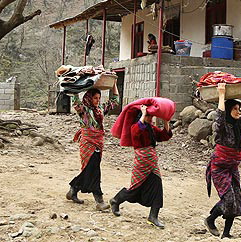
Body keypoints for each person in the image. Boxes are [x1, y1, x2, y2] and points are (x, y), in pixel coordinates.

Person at [204, 83, 241, 239]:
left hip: (232, 168)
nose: (238, 111)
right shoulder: (221, 126)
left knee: (236, 200)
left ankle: (226, 233)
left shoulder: (237, 124)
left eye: (239, 108)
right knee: (228, 199)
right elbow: (220, 115)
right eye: (235, 109)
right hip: (219, 168)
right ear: (228, 110)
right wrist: (221, 94)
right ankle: (210, 220)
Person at [109, 100, 174, 228]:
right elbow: (137, 131)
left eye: (151, 116)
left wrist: (166, 121)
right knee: (134, 189)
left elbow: (164, 136)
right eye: (149, 116)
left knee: (157, 187)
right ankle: (116, 200)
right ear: (142, 116)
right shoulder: (135, 127)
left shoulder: (150, 128)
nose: (151, 118)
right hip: (142, 161)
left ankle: (153, 216)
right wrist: (144, 114)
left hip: (152, 162)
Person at [66, 83, 119, 211]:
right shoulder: (83, 110)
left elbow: (115, 101)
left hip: (98, 142)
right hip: (87, 143)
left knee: (89, 170)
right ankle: (99, 200)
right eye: (95, 98)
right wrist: (76, 88)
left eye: (99, 98)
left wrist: (114, 84)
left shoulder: (100, 109)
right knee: (94, 170)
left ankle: (73, 190)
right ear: (89, 98)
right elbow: (76, 101)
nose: (98, 101)